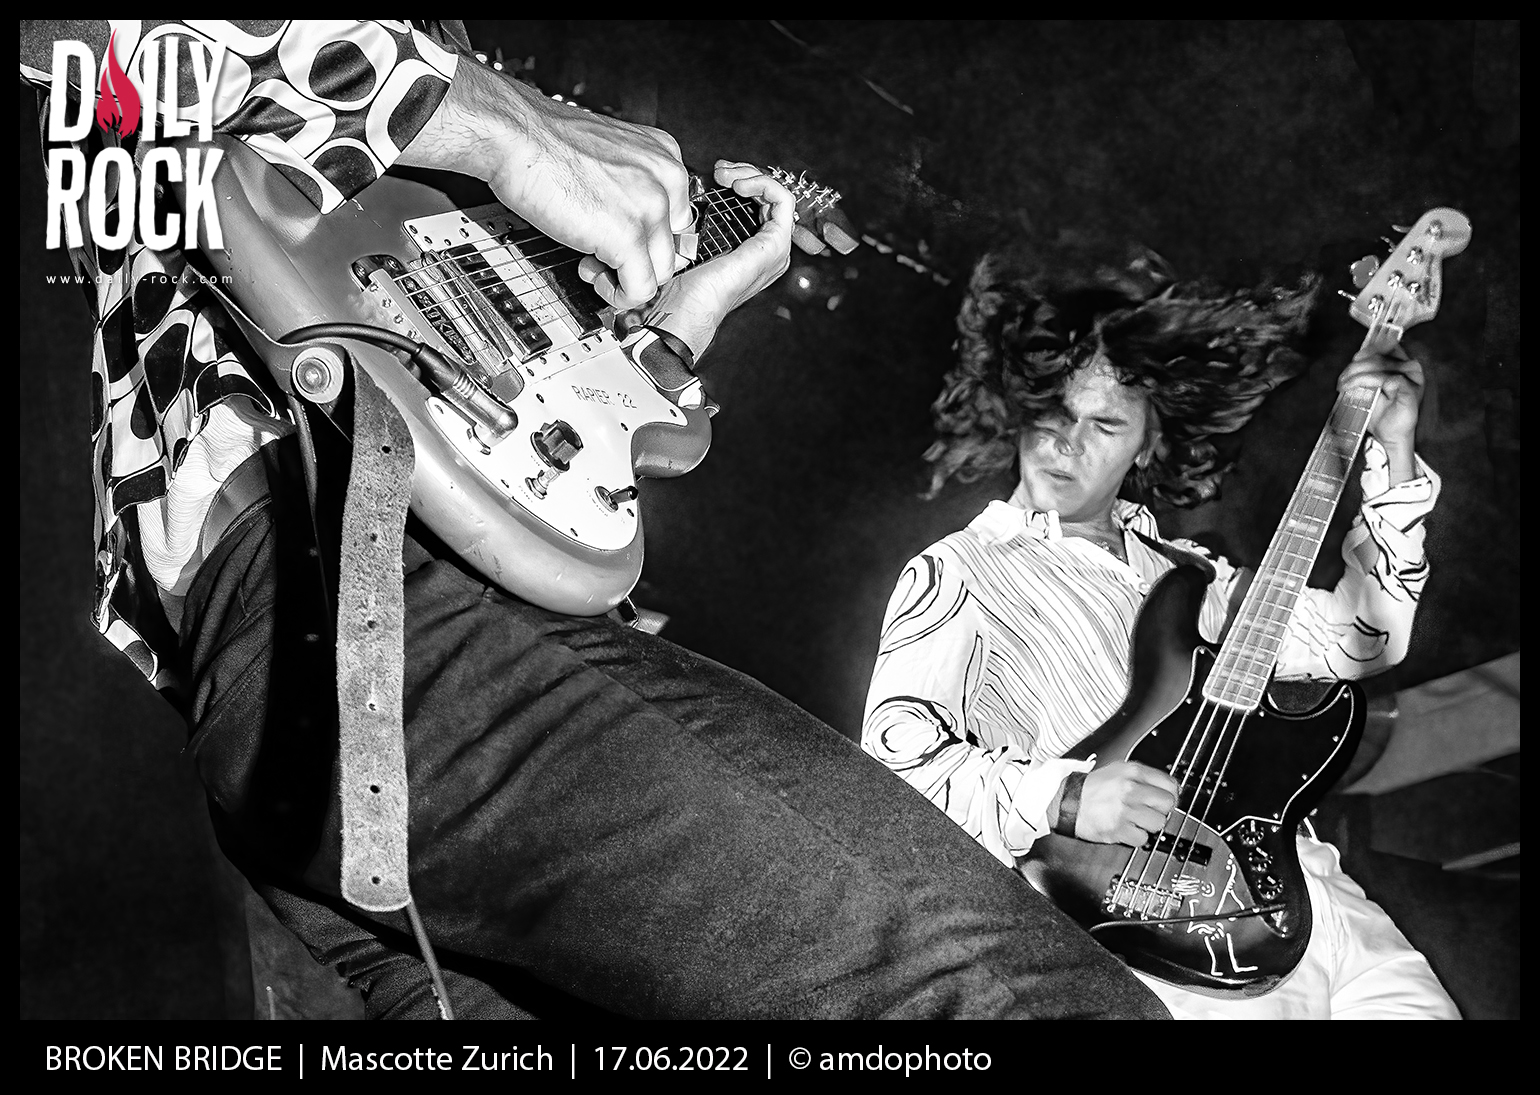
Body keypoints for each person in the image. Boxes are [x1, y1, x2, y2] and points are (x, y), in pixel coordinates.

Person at [23, 20, 1174, 1019]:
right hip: (365, 582)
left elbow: (498, 384)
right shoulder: (387, 96)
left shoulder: (403, 143)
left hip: (335, 684)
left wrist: (673, 325)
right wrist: (510, 125)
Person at [862, 247, 1462, 1019]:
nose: (1068, 443)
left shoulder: (1196, 575)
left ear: (1146, 443)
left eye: (1106, 423)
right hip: (1172, 920)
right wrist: (1065, 797)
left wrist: (1393, 450)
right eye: (1053, 413)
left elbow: (1364, 639)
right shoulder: (961, 569)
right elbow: (893, 763)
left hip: (1320, 897)